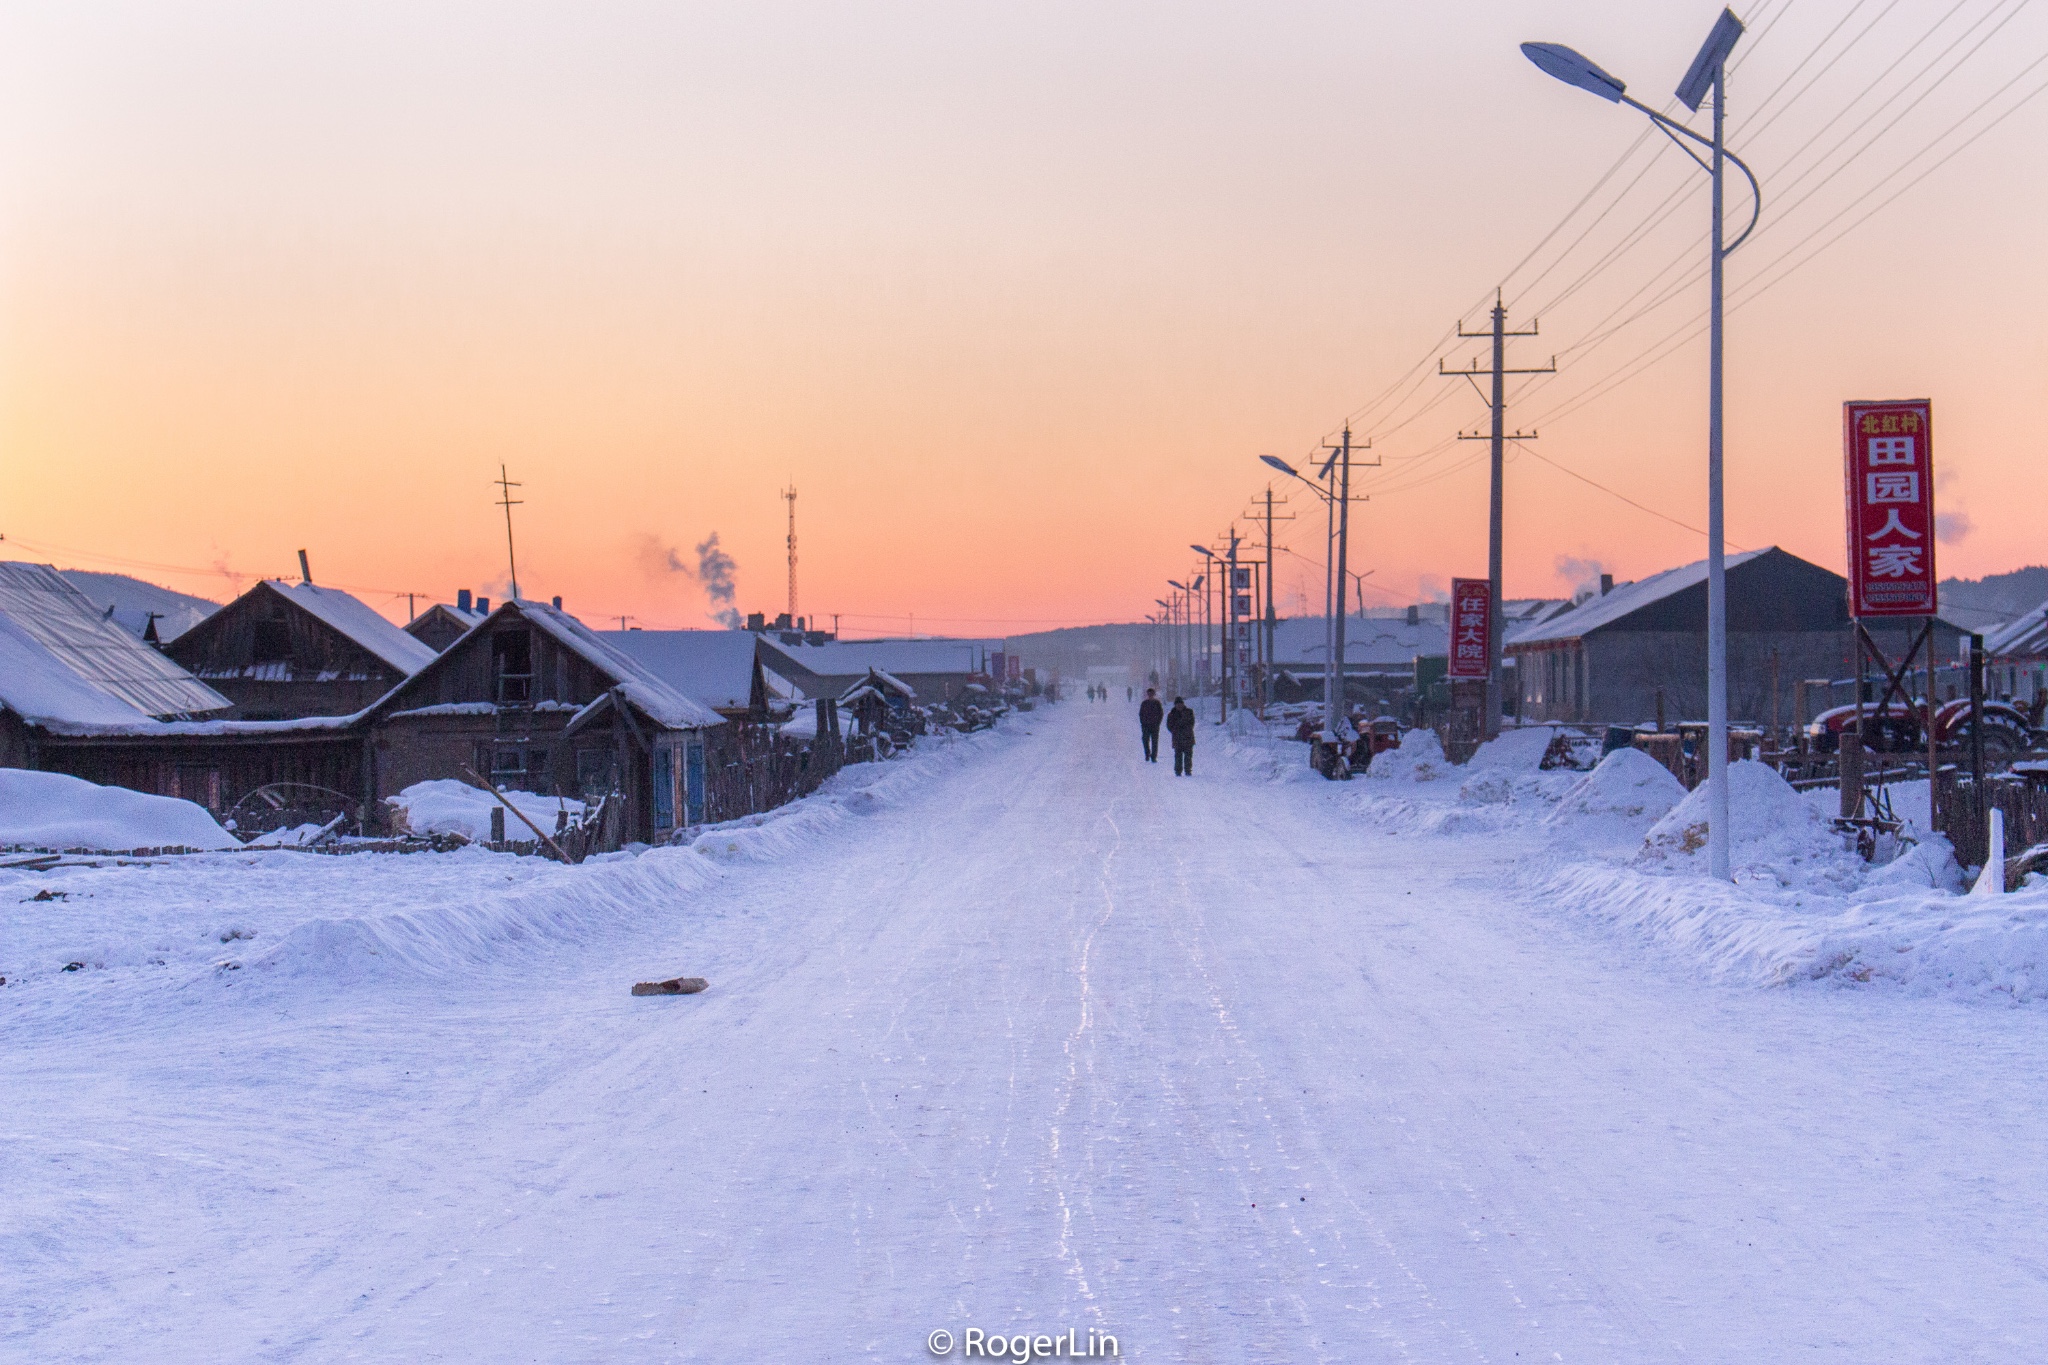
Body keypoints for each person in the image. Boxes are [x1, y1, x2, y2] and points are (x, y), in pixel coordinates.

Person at [1166, 695, 1196, 775]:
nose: (1179, 705)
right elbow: (1169, 726)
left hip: (1188, 737)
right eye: (1177, 704)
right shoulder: (1171, 714)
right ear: (1175, 705)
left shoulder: (1189, 712)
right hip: (1177, 737)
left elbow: (1191, 723)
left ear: (1183, 704)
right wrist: (1175, 730)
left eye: (1180, 704)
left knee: (1188, 755)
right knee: (1178, 755)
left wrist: (1185, 729)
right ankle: (1178, 771)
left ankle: (1188, 770)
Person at [1138, 687, 1164, 762]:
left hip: (1155, 725)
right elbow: (1141, 714)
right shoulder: (1144, 703)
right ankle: (1147, 753)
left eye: (1151, 694)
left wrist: (1158, 722)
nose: (1150, 695)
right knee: (1145, 740)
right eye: (1149, 694)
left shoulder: (1157, 703)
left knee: (1155, 741)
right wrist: (1143, 722)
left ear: (1154, 694)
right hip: (1146, 726)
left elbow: (1160, 713)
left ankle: (1154, 756)